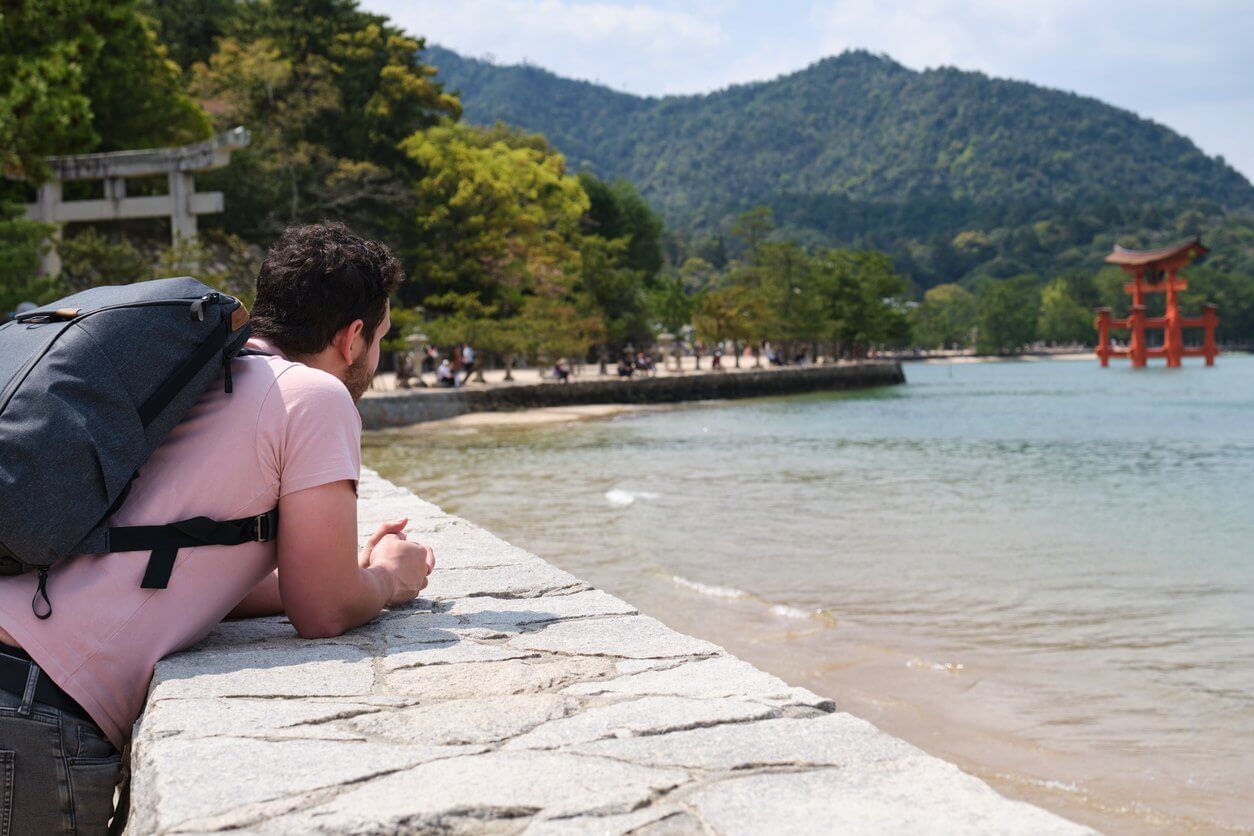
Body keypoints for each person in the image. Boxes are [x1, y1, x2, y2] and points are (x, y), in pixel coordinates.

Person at [0, 222, 436, 835]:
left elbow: (177, 559)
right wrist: (389, 578)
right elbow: (324, 611)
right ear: (352, 337)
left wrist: (340, 566)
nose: (377, 357)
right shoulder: (314, 396)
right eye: (381, 338)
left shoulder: (192, 376)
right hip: (33, 707)